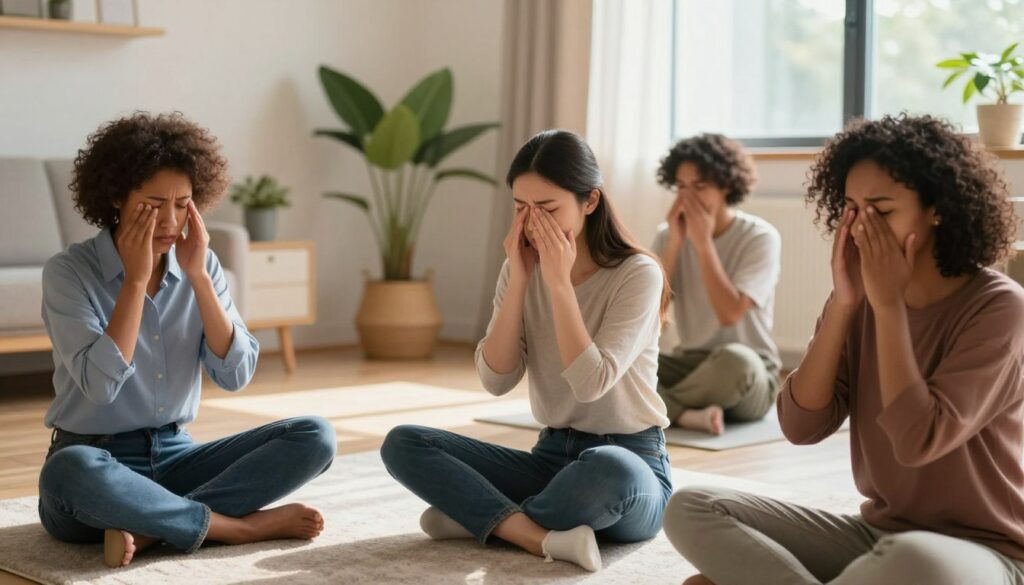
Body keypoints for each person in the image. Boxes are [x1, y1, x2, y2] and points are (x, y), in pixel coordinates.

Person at [663, 114, 1024, 585]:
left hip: (982, 552)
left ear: (937, 208)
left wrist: (889, 305)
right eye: (852, 208)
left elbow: (918, 440)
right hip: (874, 534)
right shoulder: (859, 303)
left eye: (882, 209)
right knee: (691, 507)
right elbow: (800, 426)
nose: (859, 227)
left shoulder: (1000, 309)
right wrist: (843, 304)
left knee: (915, 560)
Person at [37, 112, 337, 568]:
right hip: (96, 461)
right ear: (117, 196)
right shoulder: (69, 273)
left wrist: (197, 275)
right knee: (66, 471)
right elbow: (99, 387)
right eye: (155, 203)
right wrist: (135, 283)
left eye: (184, 203)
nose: (171, 221)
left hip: (177, 457)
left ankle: (154, 528)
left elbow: (235, 376)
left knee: (315, 436)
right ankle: (235, 527)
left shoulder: (202, 265)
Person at [380, 130, 673, 572]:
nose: (533, 222)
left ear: (589, 202)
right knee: (404, 443)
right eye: (521, 208)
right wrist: (520, 279)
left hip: (631, 462)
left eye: (548, 208)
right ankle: (531, 533)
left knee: (609, 469)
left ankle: (482, 517)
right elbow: (496, 380)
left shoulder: (638, 275)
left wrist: (558, 281)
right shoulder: (519, 267)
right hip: (552, 458)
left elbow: (592, 383)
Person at [653, 134, 782, 435]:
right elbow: (651, 315)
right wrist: (674, 242)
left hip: (748, 372)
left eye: (700, 187)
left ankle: (659, 408)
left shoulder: (760, 237)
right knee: (624, 361)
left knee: (736, 362)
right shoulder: (667, 235)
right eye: (682, 187)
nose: (688, 199)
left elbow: (729, 314)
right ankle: (686, 414)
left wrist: (703, 245)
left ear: (726, 186)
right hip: (691, 364)